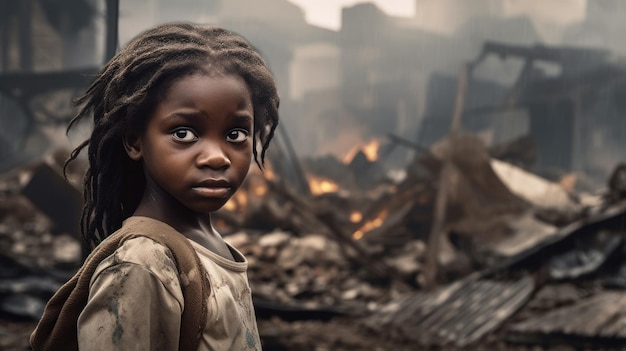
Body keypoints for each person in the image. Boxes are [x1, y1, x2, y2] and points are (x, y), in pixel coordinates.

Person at [33, 22, 279, 350]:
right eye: (184, 133)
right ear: (135, 140)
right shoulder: (142, 265)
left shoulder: (208, 245)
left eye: (235, 134)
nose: (217, 157)